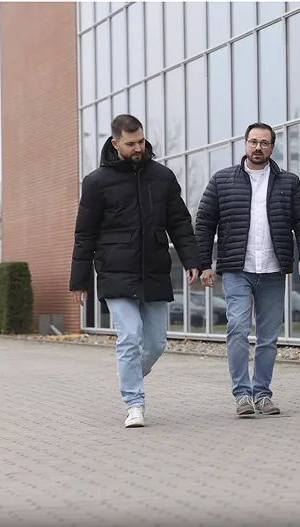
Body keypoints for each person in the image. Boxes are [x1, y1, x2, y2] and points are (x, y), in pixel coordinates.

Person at [69, 114, 201, 429]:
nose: (138, 147)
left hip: (154, 269)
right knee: (129, 335)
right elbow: (84, 234)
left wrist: (193, 260)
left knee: (156, 343)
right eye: (131, 144)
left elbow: (180, 223)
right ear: (116, 144)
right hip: (115, 270)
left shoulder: (163, 177)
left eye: (141, 141)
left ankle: (129, 371)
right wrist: (79, 280)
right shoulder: (96, 182)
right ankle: (134, 402)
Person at [195, 122, 300, 418]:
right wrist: (203, 264)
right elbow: (204, 223)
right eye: (253, 142)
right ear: (245, 144)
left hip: (273, 270)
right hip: (237, 268)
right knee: (237, 327)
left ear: (272, 147)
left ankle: (262, 393)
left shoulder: (289, 182)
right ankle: (242, 395)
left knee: (268, 335)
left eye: (264, 143)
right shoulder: (222, 180)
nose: (258, 147)